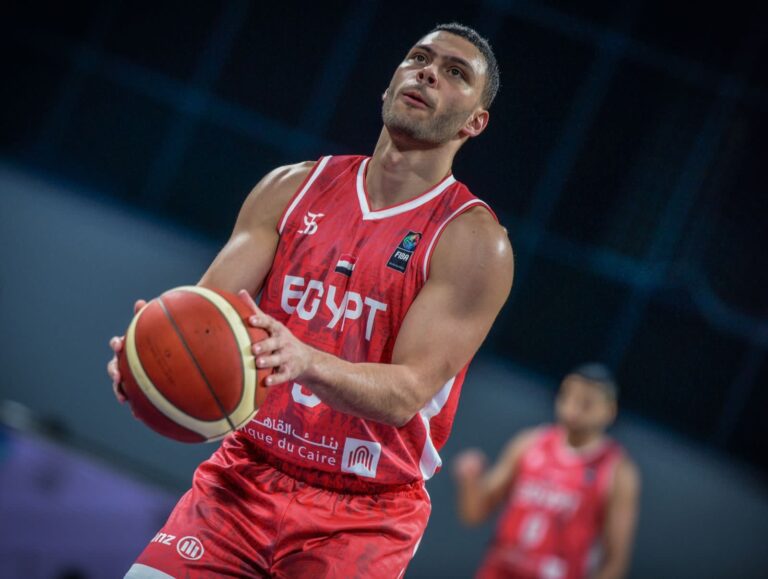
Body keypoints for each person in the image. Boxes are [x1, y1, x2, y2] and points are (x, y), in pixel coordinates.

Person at [108, 22, 513, 578]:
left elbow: (407, 393)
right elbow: (206, 316)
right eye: (419, 58)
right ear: (390, 82)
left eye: (455, 72)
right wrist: (148, 357)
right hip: (242, 478)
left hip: (364, 515)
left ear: (475, 122)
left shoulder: (472, 241)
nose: (427, 73)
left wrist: (304, 360)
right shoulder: (290, 187)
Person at [453, 364, 640, 579]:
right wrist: (470, 479)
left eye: (586, 402)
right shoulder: (530, 443)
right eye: (568, 396)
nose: (573, 407)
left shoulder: (616, 470)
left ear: (609, 411)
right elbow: (474, 513)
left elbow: (615, 561)